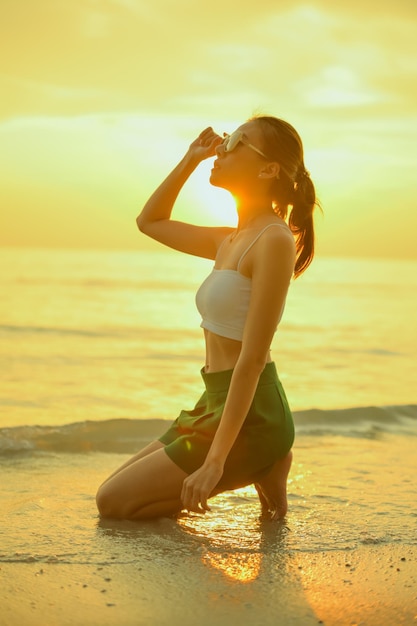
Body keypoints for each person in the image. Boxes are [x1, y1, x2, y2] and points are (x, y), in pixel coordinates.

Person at [96, 115, 319, 521]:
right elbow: (150, 222)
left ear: (269, 169)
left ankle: (265, 458)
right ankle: (264, 466)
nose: (222, 148)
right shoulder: (229, 239)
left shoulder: (273, 240)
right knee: (111, 494)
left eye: (236, 142)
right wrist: (190, 159)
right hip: (212, 402)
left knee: (113, 503)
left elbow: (253, 358)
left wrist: (214, 463)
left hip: (252, 415)